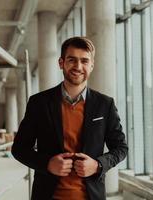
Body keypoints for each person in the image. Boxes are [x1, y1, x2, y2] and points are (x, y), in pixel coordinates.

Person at [12, 37, 128, 200]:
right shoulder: (39, 103)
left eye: (84, 61)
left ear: (92, 66)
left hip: (91, 196)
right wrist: (48, 163)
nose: (78, 66)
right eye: (72, 60)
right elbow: (19, 149)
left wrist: (97, 165)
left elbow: (121, 148)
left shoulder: (105, 104)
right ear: (61, 63)